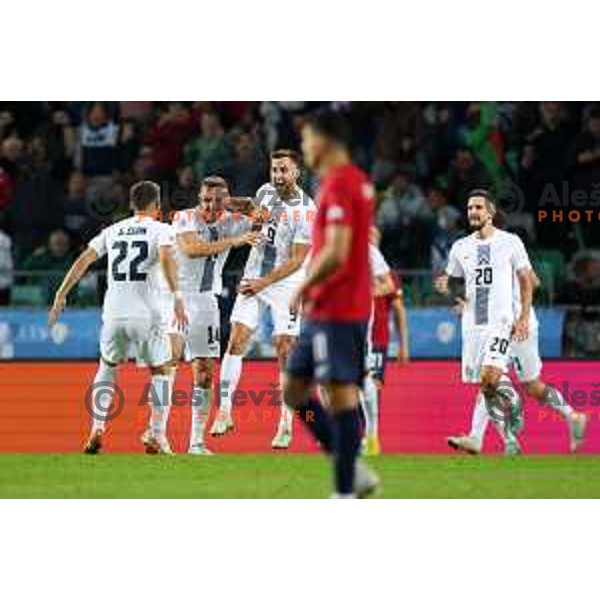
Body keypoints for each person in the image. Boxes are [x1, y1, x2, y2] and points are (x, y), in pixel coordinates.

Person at [48, 180, 187, 454]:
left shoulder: (112, 230)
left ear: (132, 205)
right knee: (161, 371)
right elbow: (166, 257)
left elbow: (84, 260)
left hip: (114, 314)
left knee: (108, 366)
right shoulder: (162, 230)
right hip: (149, 315)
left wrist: (61, 294)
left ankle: (97, 428)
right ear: (157, 205)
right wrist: (178, 297)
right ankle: (157, 434)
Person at [283, 111, 379, 498]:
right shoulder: (344, 182)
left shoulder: (341, 184)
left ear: (323, 140)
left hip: (338, 310)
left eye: (306, 139)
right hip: (322, 312)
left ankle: (344, 493)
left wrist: (303, 283)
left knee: (340, 398)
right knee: (293, 392)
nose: (305, 147)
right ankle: (349, 464)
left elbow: (337, 252)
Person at [210, 149, 315, 450]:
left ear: (296, 172)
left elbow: (298, 260)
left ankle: (285, 425)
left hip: (288, 283)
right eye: (274, 170)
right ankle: (225, 412)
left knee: (285, 349)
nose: (278, 176)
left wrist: (262, 283)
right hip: (254, 274)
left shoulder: (306, 210)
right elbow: (255, 209)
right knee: (237, 340)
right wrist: (227, 202)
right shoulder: (265, 191)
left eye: (284, 170)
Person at [154, 176, 260, 455]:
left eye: (216, 200)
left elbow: (267, 218)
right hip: (175, 298)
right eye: (205, 199)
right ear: (198, 199)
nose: (210, 205)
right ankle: (156, 434)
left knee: (203, 372)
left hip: (206, 302)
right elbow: (191, 249)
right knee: (169, 360)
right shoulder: (184, 217)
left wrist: (243, 204)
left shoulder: (232, 219)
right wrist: (235, 240)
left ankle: (197, 443)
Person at [444, 267, 587, 454]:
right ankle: (483, 438)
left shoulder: (510, 249)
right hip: (502, 327)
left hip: (520, 326)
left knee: (527, 385)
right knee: (494, 381)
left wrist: (517, 309)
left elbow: (533, 282)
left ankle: (569, 417)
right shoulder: (480, 258)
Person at [434, 189, 533, 455]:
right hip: (472, 325)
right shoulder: (460, 247)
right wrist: (453, 294)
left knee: (489, 377)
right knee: (486, 383)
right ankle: (482, 438)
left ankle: (509, 407)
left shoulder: (510, 242)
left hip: (501, 321)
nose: (473, 212)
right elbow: (454, 284)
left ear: (490, 212)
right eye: (469, 208)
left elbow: (527, 280)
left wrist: (523, 316)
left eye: (478, 207)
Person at [362, 243, 409, 456]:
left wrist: (402, 344)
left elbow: (398, 307)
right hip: (336, 327)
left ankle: (370, 436)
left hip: (375, 337)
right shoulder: (328, 246)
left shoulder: (373, 256)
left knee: (371, 383)